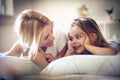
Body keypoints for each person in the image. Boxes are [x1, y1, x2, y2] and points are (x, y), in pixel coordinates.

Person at [0, 9, 68, 80]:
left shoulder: (60, 36)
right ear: (31, 41)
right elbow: (3, 61)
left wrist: (43, 63)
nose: (53, 37)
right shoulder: (23, 44)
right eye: (46, 37)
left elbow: (62, 71)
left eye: (51, 30)